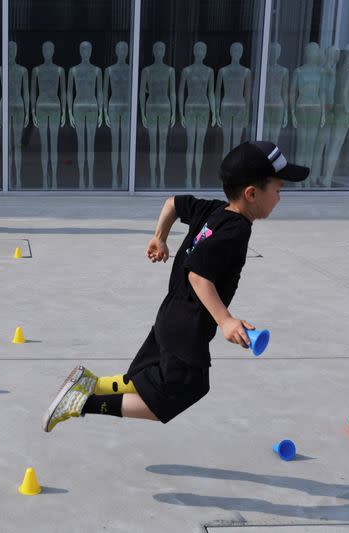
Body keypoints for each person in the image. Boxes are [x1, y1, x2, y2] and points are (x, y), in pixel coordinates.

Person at [43, 141, 309, 432]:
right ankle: (81, 403)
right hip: (187, 327)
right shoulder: (237, 230)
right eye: (278, 190)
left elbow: (171, 202)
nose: (280, 198)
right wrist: (225, 320)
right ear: (252, 193)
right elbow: (198, 274)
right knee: (170, 397)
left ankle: (91, 383)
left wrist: (160, 237)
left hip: (172, 315)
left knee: (147, 377)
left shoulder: (213, 210)